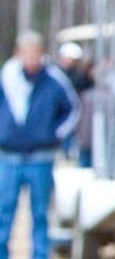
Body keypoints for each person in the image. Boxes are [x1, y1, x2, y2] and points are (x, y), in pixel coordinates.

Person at [0, 32, 79, 259]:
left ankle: (40, 255)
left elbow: (73, 110)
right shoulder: (6, 78)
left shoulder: (54, 80)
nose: (31, 59)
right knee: (3, 213)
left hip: (40, 158)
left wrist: (54, 134)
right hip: (8, 156)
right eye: (26, 54)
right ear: (18, 54)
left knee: (40, 213)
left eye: (35, 53)